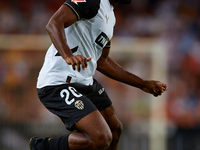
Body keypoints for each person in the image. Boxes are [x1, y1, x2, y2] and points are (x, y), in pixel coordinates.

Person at [29, 0, 168, 149]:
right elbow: (53, 23)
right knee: (101, 137)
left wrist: (143, 84)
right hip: (58, 82)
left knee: (115, 129)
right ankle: (42, 146)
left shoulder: (110, 16)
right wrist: (68, 55)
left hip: (84, 81)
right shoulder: (93, 1)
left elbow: (102, 61)